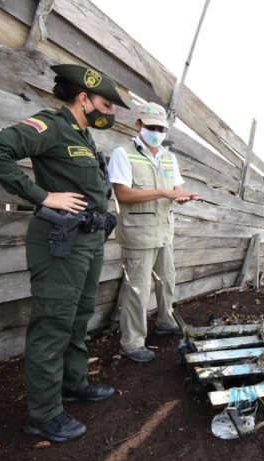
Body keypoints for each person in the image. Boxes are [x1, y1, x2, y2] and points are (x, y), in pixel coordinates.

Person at [0, 64, 128, 442]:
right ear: (84, 98)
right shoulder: (51, 125)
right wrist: (42, 196)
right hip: (60, 241)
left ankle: (72, 383)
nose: (110, 113)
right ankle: (43, 413)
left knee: (77, 317)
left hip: (87, 241)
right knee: (53, 323)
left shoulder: (83, 136)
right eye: (106, 104)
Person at [108, 102, 197, 363]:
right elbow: (122, 193)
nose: (156, 132)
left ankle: (165, 322)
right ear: (138, 126)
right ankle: (132, 343)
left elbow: (176, 188)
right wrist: (163, 192)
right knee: (137, 289)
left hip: (164, 232)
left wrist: (184, 196)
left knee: (167, 280)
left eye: (160, 128)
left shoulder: (169, 157)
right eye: (151, 127)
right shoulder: (123, 154)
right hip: (138, 234)